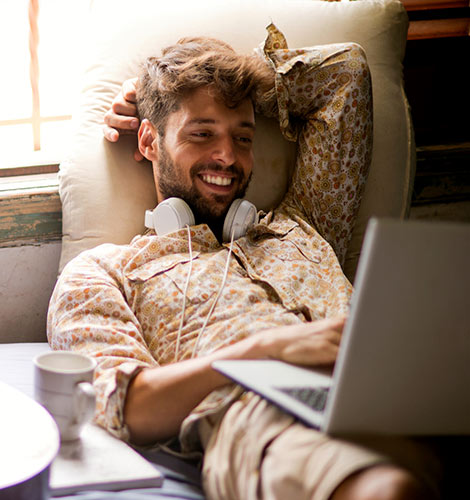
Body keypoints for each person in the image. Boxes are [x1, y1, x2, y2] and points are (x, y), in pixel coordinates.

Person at [48, 25, 442, 500]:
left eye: (243, 136)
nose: (226, 156)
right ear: (149, 142)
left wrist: (217, 85)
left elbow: (345, 73)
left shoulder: (304, 223)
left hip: (396, 391)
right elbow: (124, 406)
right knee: (388, 490)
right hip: (262, 419)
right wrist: (269, 351)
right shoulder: (106, 273)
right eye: (201, 133)